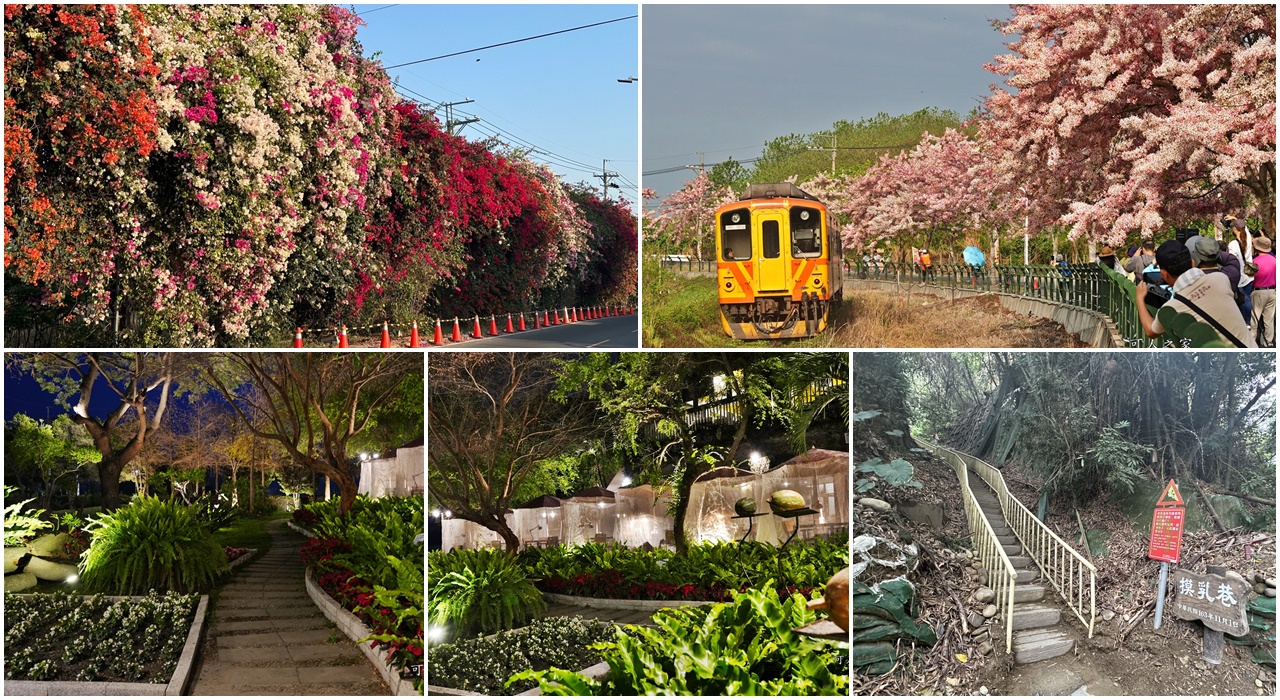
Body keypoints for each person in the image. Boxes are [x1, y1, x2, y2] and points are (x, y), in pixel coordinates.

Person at [1136, 240, 1256, 347]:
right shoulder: (1221, 279)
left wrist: (1140, 298)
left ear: (1164, 274)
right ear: (1192, 263)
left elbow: (1150, 331)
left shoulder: (1172, 307)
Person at [1224, 217, 1254, 325]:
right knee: (1247, 298)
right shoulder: (1249, 239)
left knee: (1242, 300)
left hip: (1240, 276)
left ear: (1235, 229)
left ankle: (1245, 322)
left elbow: (1232, 260)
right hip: (1249, 276)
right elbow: (1244, 227)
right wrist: (1235, 218)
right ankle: (1249, 322)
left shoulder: (1233, 244)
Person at [1251, 236, 1275, 347]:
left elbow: (1250, 279)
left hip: (1259, 292)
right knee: (1269, 320)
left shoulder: (1254, 262)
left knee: (1254, 319)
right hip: (1272, 291)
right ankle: (1268, 343)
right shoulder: (1275, 260)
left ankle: (1251, 341)